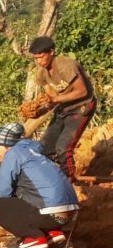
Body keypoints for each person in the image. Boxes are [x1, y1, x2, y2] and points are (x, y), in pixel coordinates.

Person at [0, 123, 80, 248]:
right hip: (66, 216)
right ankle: (51, 233)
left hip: (50, 215)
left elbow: (2, 192)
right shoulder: (34, 153)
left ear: (7, 145)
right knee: (21, 191)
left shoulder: (13, 153)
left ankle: (33, 238)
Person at [25, 36, 95, 178]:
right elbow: (52, 98)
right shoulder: (42, 73)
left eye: (41, 57)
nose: (39, 61)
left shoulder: (67, 66)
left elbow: (82, 91)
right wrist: (39, 110)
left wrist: (55, 99)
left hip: (82, 106)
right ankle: (52, 176)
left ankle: (68, 178)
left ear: (51, 52)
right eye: (36, 58)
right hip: (63, 107)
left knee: (63, 148)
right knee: (44, 147)